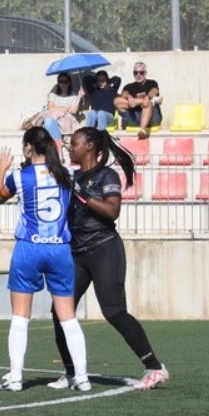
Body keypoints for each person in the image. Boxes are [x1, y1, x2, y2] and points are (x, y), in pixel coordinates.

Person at [55, 127, 169, 390]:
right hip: (76, 252)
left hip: (104, 248)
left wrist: (81, 195)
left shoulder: (107, 175)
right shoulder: (72, 176)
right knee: (59, 311)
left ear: (91, 146)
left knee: (114, 312)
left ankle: (154, 367)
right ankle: (71, 372)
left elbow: (112, 210)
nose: (70, 148)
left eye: (75, 144)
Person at [0, 127, 91, 393]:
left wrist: (1, 168)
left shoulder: (19, 176)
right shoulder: (67, 174)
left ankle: (15, 378)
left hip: (29, 249)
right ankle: (81, 377)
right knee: (68, 317)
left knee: (20, 316)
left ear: (27, 149)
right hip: (60, 249)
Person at [28, 72, 80, 141]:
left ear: (69, 82)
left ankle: (55, 143)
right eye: (61, 81)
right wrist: (65, 108)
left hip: (65, 117)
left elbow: (74, 110)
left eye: (65, 81)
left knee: (51, 121)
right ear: (58, 82)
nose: (63, 84)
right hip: (53, 115)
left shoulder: (73, 95)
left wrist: (80, 95)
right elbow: (50, 108)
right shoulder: (53, 94)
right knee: (48, 120)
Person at [115, 61, 162, 137]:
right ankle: (141, 103)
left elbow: (154, 91)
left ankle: (142, 130)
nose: (138, 75)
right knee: (116, 101)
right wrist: (130, 98)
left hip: (152, 118)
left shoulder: (151, 83)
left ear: (145, 73)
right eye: (136, 73)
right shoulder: (129, 86)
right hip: (135, 118)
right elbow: (123, 94)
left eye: (141, 72)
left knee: (148, 103)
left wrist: (147, 97)